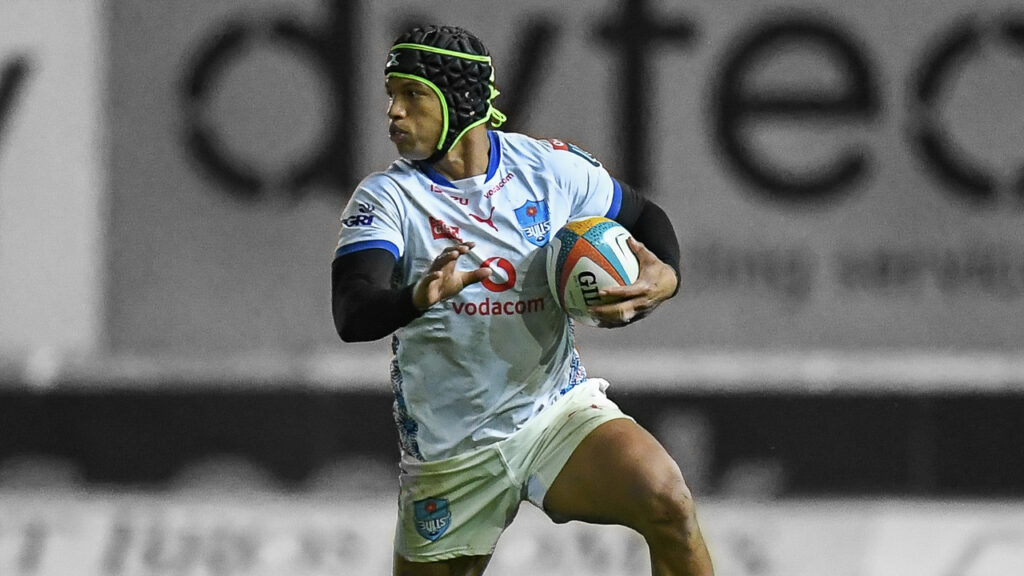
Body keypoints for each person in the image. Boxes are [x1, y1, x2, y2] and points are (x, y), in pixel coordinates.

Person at [332, 24, 714, 576]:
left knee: (668, 503)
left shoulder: (548, 168)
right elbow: (352, 311)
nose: (393, 111)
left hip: (554, 415)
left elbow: (642, 214)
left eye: (412, 95)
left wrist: (667, 276)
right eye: (391, 95)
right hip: (452, 451)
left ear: (460, 101)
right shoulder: (388, 198)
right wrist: (416, 296)